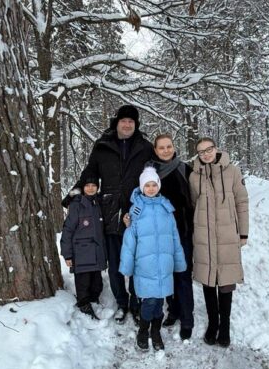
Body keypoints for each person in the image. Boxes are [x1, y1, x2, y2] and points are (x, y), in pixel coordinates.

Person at [64, 105, 154, 323]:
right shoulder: (103, 146)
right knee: (114, 265)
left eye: (131, 122)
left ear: (136, 125)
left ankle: (136, 303)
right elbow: (90, 173)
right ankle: (122, 304)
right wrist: (74, 194)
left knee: (136, 264)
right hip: (110, 212)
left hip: (136, 214)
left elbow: (155, 176)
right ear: (116, 123)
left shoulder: (145, 147)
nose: (127, 125)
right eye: (123, 121)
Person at [189, 138, 249, 347]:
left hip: (227, 235)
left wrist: (243, 233)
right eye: (201, 152)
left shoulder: (232, 171)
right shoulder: (194, 176)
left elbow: (242, 202)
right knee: (208, 279)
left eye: (209, 150)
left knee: (225, 281)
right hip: (204, 235)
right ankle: (213, 323)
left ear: (216, 149)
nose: (205, 154)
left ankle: (225, 325)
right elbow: (194, 204)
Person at [119, 166, 187, 351]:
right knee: (149, 301)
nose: (150, 188)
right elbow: (130, 238)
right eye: (147, 185)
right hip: (145, 265)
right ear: (142, 187)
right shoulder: (136, 210)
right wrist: (127, 266)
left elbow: (174, 236)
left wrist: (179, 261)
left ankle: (155, 331)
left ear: (158, 185)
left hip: (164, 265)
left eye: (153, 184)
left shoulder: (166, 207)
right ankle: (143, 330)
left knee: (159, 301)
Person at [146, 134, 195, 340]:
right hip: (160, 235)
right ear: (155, 150)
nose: (166, 150)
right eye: (161, 148)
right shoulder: (150, 173)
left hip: (182, 232)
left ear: (174, 147)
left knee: (183, 276)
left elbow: (196, 198)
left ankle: (187, 319)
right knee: (166, 275)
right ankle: (173, 310)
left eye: (169, 146)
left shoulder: (184, 169)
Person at [60, 178, 106, 319]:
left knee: (97, 283)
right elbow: (67, 230)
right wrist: (67, 255)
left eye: (94, 185)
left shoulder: (99, 203)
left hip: (97, 252)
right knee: (83, 282)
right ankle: (84, 304)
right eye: (88, 185)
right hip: (81, 253)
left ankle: (94, 299)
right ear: (82, 187)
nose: (91, 188)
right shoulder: (76, 205)